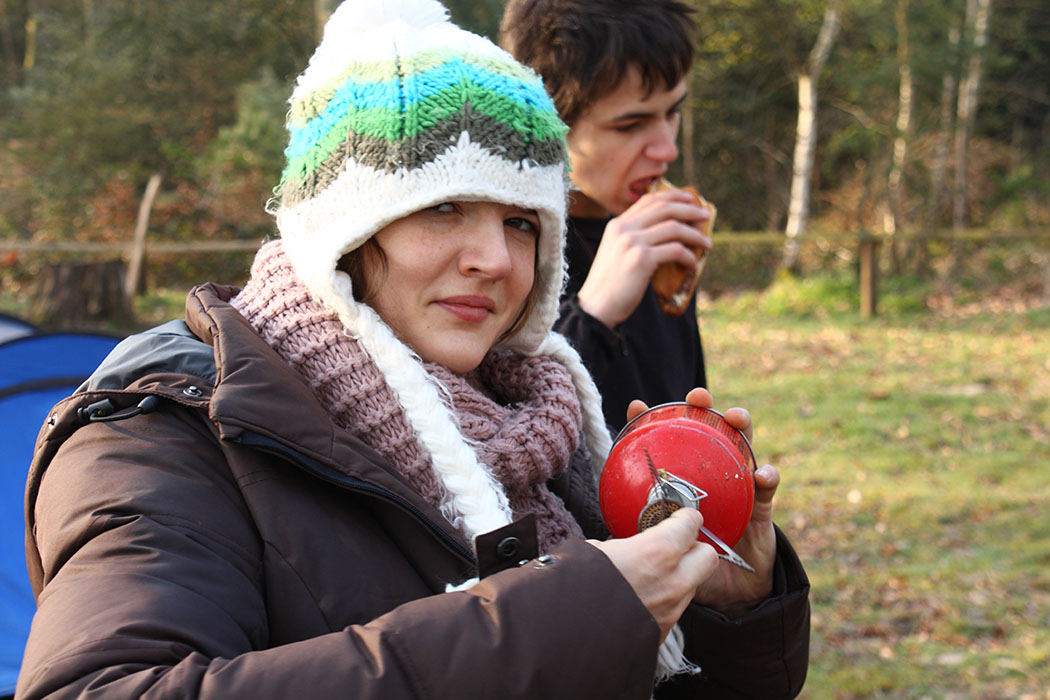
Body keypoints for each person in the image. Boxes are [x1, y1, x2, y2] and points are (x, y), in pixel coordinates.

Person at [17, 1, 809, 698]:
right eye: (446, 208)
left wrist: (728, 610)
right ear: (347, 233)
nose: (495, 260)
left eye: (520, 223)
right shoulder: (164, 432)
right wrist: (562, 619)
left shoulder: (544, 423)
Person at [500, 0, 714, 434]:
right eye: (631, 125)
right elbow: (503, 442)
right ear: (548, 123)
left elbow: (685, 409)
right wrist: (592, 316)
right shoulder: (498, 252)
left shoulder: (663, 236)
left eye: (671, 112)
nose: (666, 149)